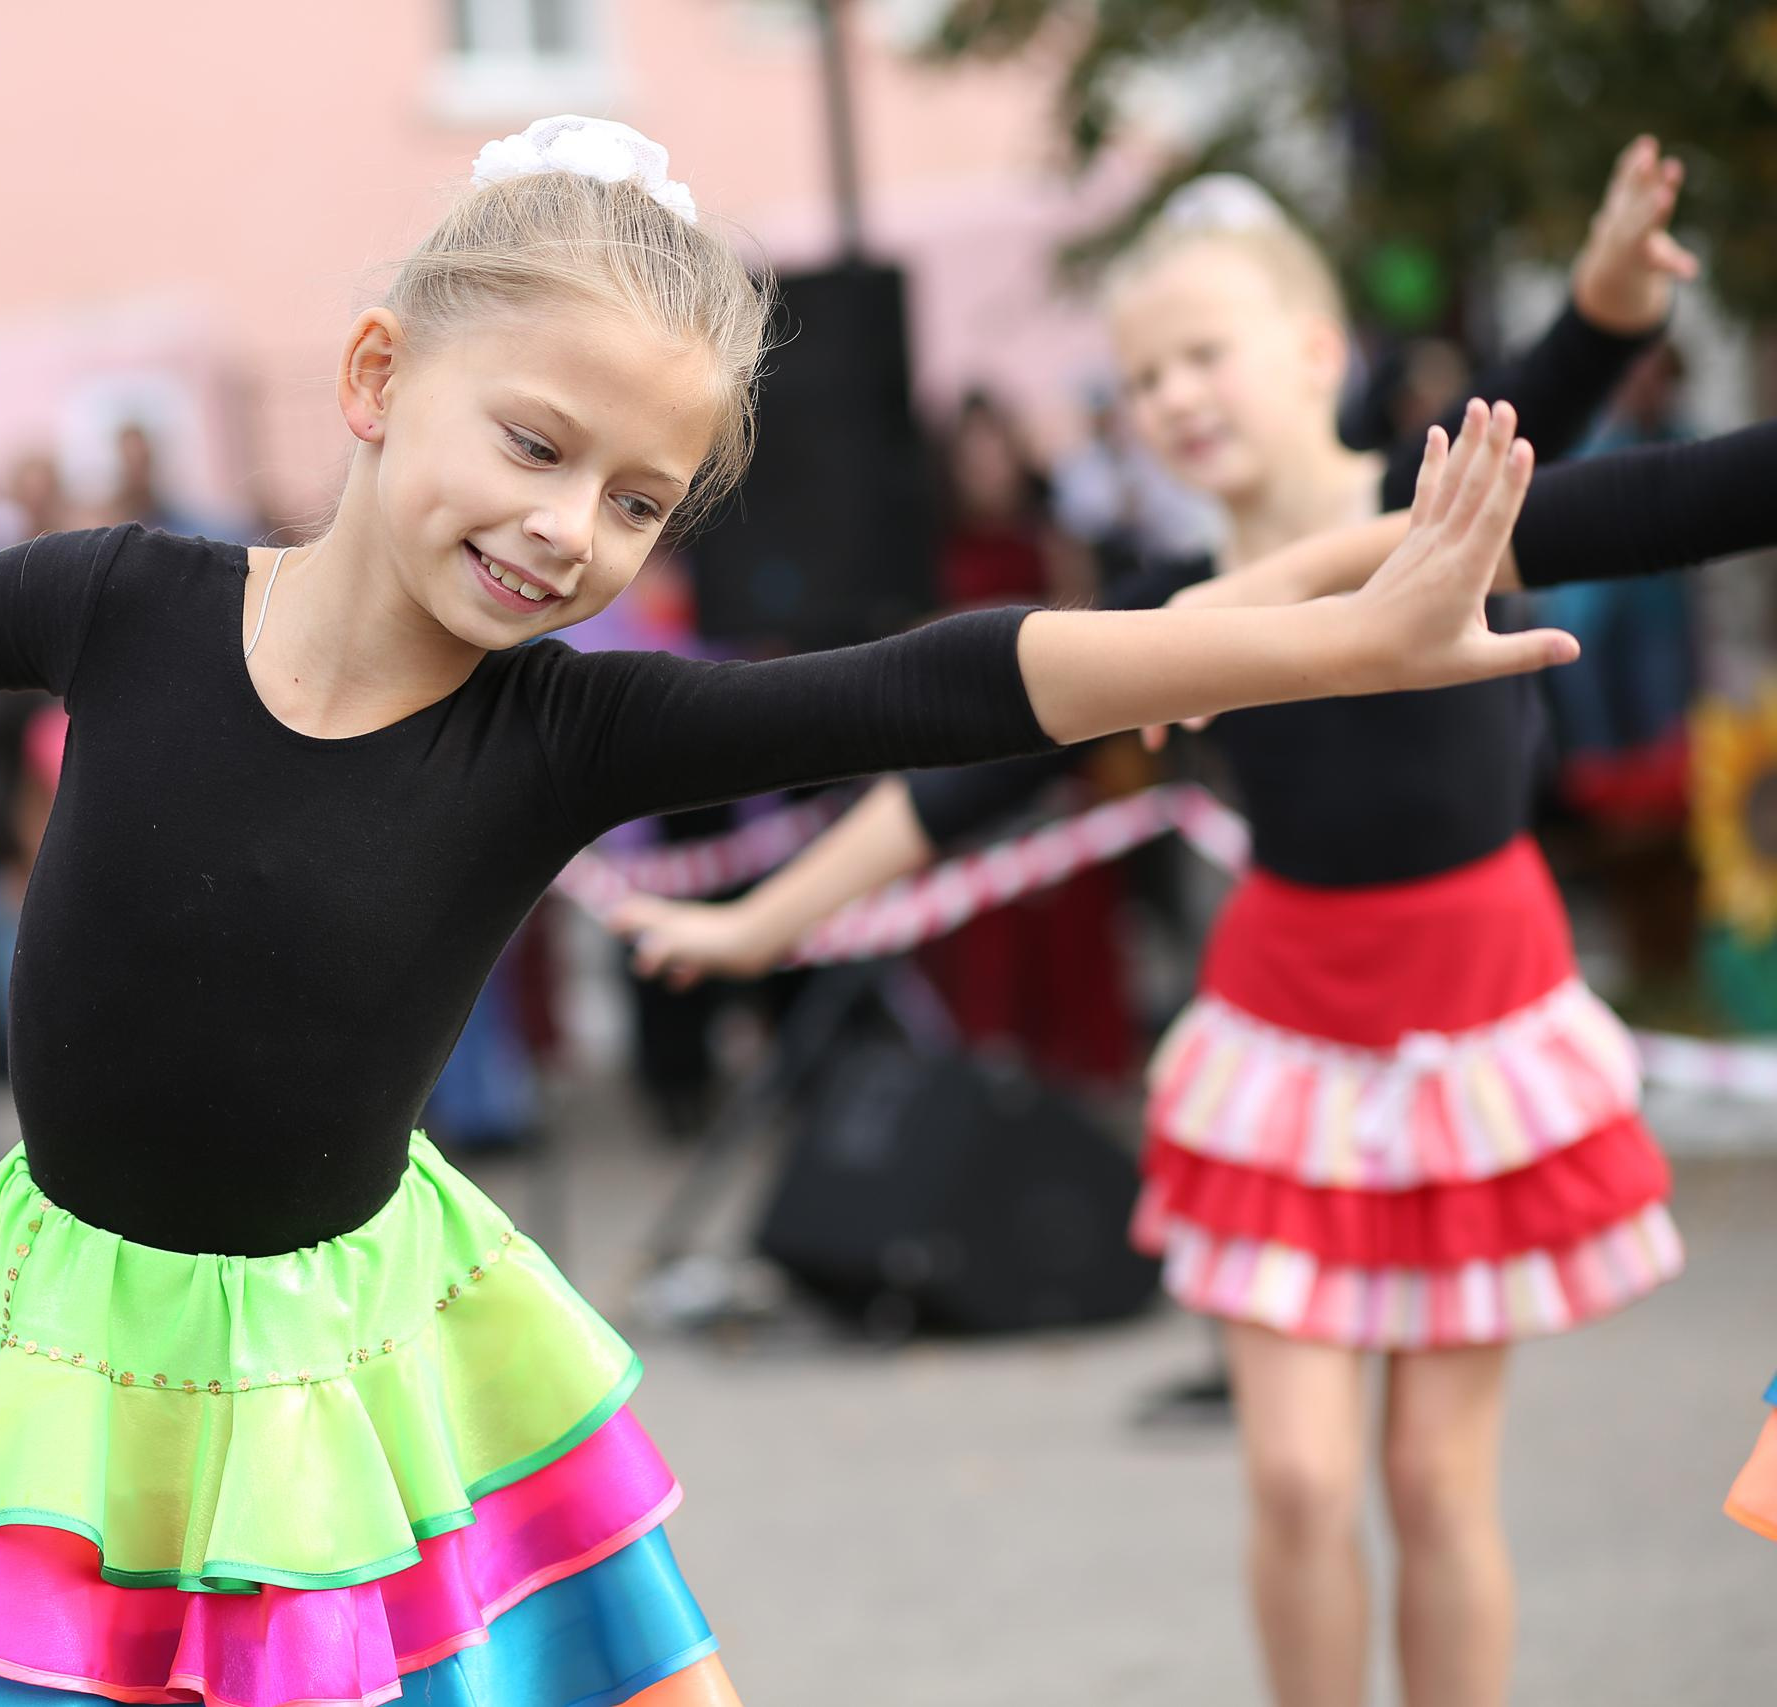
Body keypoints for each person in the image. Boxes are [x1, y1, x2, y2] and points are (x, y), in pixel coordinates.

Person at [0, 118, 1574, 1707]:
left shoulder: (564, 732)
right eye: (533, 446)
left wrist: (1327, 639)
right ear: (373, 381)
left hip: (339, 1354)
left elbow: (947, 679)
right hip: (63, 1325)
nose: (569, 530)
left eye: (636, 499)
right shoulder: (117, 599)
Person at [614, 141, 1737, 1707]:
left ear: (1315, 350)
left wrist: (1612, 299)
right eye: (1143, 376)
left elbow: (1582, 419)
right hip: (1291, 1026)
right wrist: (758, 923)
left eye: (1204, 353)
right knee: (1297, 1473)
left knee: (1433, 1479)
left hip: (1480, 1008)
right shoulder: (1158, 602)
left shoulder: (1441, 501)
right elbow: (962, 782)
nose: (1173, 395)